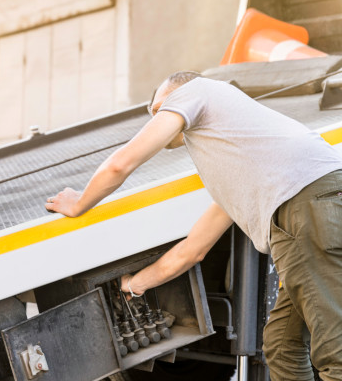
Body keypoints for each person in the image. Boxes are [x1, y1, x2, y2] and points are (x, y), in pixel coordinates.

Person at [45, 71, 342, 380]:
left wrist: (80, 202)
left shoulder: (199, 90)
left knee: (335, 353)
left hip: (308, 207)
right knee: (282, 346)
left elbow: (123, 163)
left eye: (160, 108)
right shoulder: (244, 167)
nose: (155, 117)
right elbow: (193, 249)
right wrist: (135, 284)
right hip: (312, 210)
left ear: (180, 93)